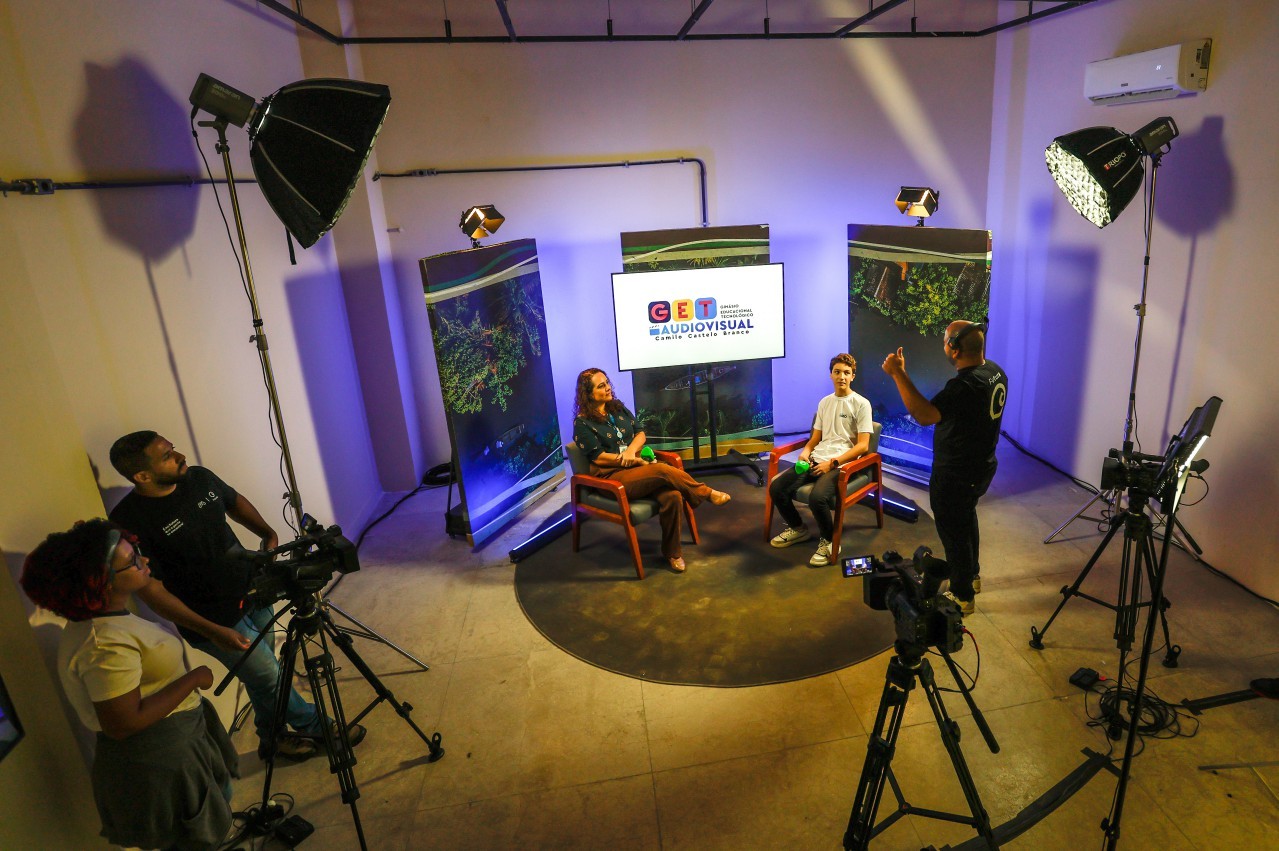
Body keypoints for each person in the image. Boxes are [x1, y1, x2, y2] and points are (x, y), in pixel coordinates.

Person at [108, 430, 364, 761]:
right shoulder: (129, 520)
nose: (181, 457)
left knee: (265, 678)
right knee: (270, 677)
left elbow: (233, 501)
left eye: (173, 449)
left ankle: (272, 740)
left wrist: (267, 533)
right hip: (211, 618)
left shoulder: (198, 478)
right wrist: (212, 631)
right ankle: (322, 728)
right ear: (142, 476)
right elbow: (151, 590)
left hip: (253, 591)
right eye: (168, 456)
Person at [20, 519, 237, 851]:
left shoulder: (111, 618)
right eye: (133, 560)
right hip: (159, 755)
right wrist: (194, 679)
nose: (144, 560)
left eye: (136, 552)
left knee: (210, 820)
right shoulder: (103, 643)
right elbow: (123, 722)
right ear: (101, 583)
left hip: (177, 741)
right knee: (195, 838)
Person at [881, 321, 1008, 614]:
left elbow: (924, 414)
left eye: (944, 341)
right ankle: (971, 576)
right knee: (965, 521)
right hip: (980, 467)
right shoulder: (995, 371)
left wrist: (898, 373)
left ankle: (962, 596)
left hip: (955, 474)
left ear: (954, 348)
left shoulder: (962, 387)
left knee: (954, 535)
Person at [572, 368, 732, 573]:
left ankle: (672, 553)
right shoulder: (582, 423)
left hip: (636, 467)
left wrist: (631, 452)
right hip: (612, 478)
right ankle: (706, 493)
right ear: (588, 393)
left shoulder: (617, 408)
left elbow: (640, 434)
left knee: (673, 496)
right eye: (601, 386)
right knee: (663, 470)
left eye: (607, 382)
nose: (608, 388)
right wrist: (628, 460)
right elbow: (598, 458)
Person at [769, 353, 874, 566]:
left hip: (842, 464)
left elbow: (863, 445)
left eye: (846, 373)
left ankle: (829, 541)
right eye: (837, 372)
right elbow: (815, 439)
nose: (841, 376)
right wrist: (805, 452)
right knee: (777, 487)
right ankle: (798, 528)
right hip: (816, 458)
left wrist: (832, 463)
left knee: (817, 498)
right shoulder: (825, 402)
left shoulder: (862, 404)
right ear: (831, 375)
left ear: (853, 376)